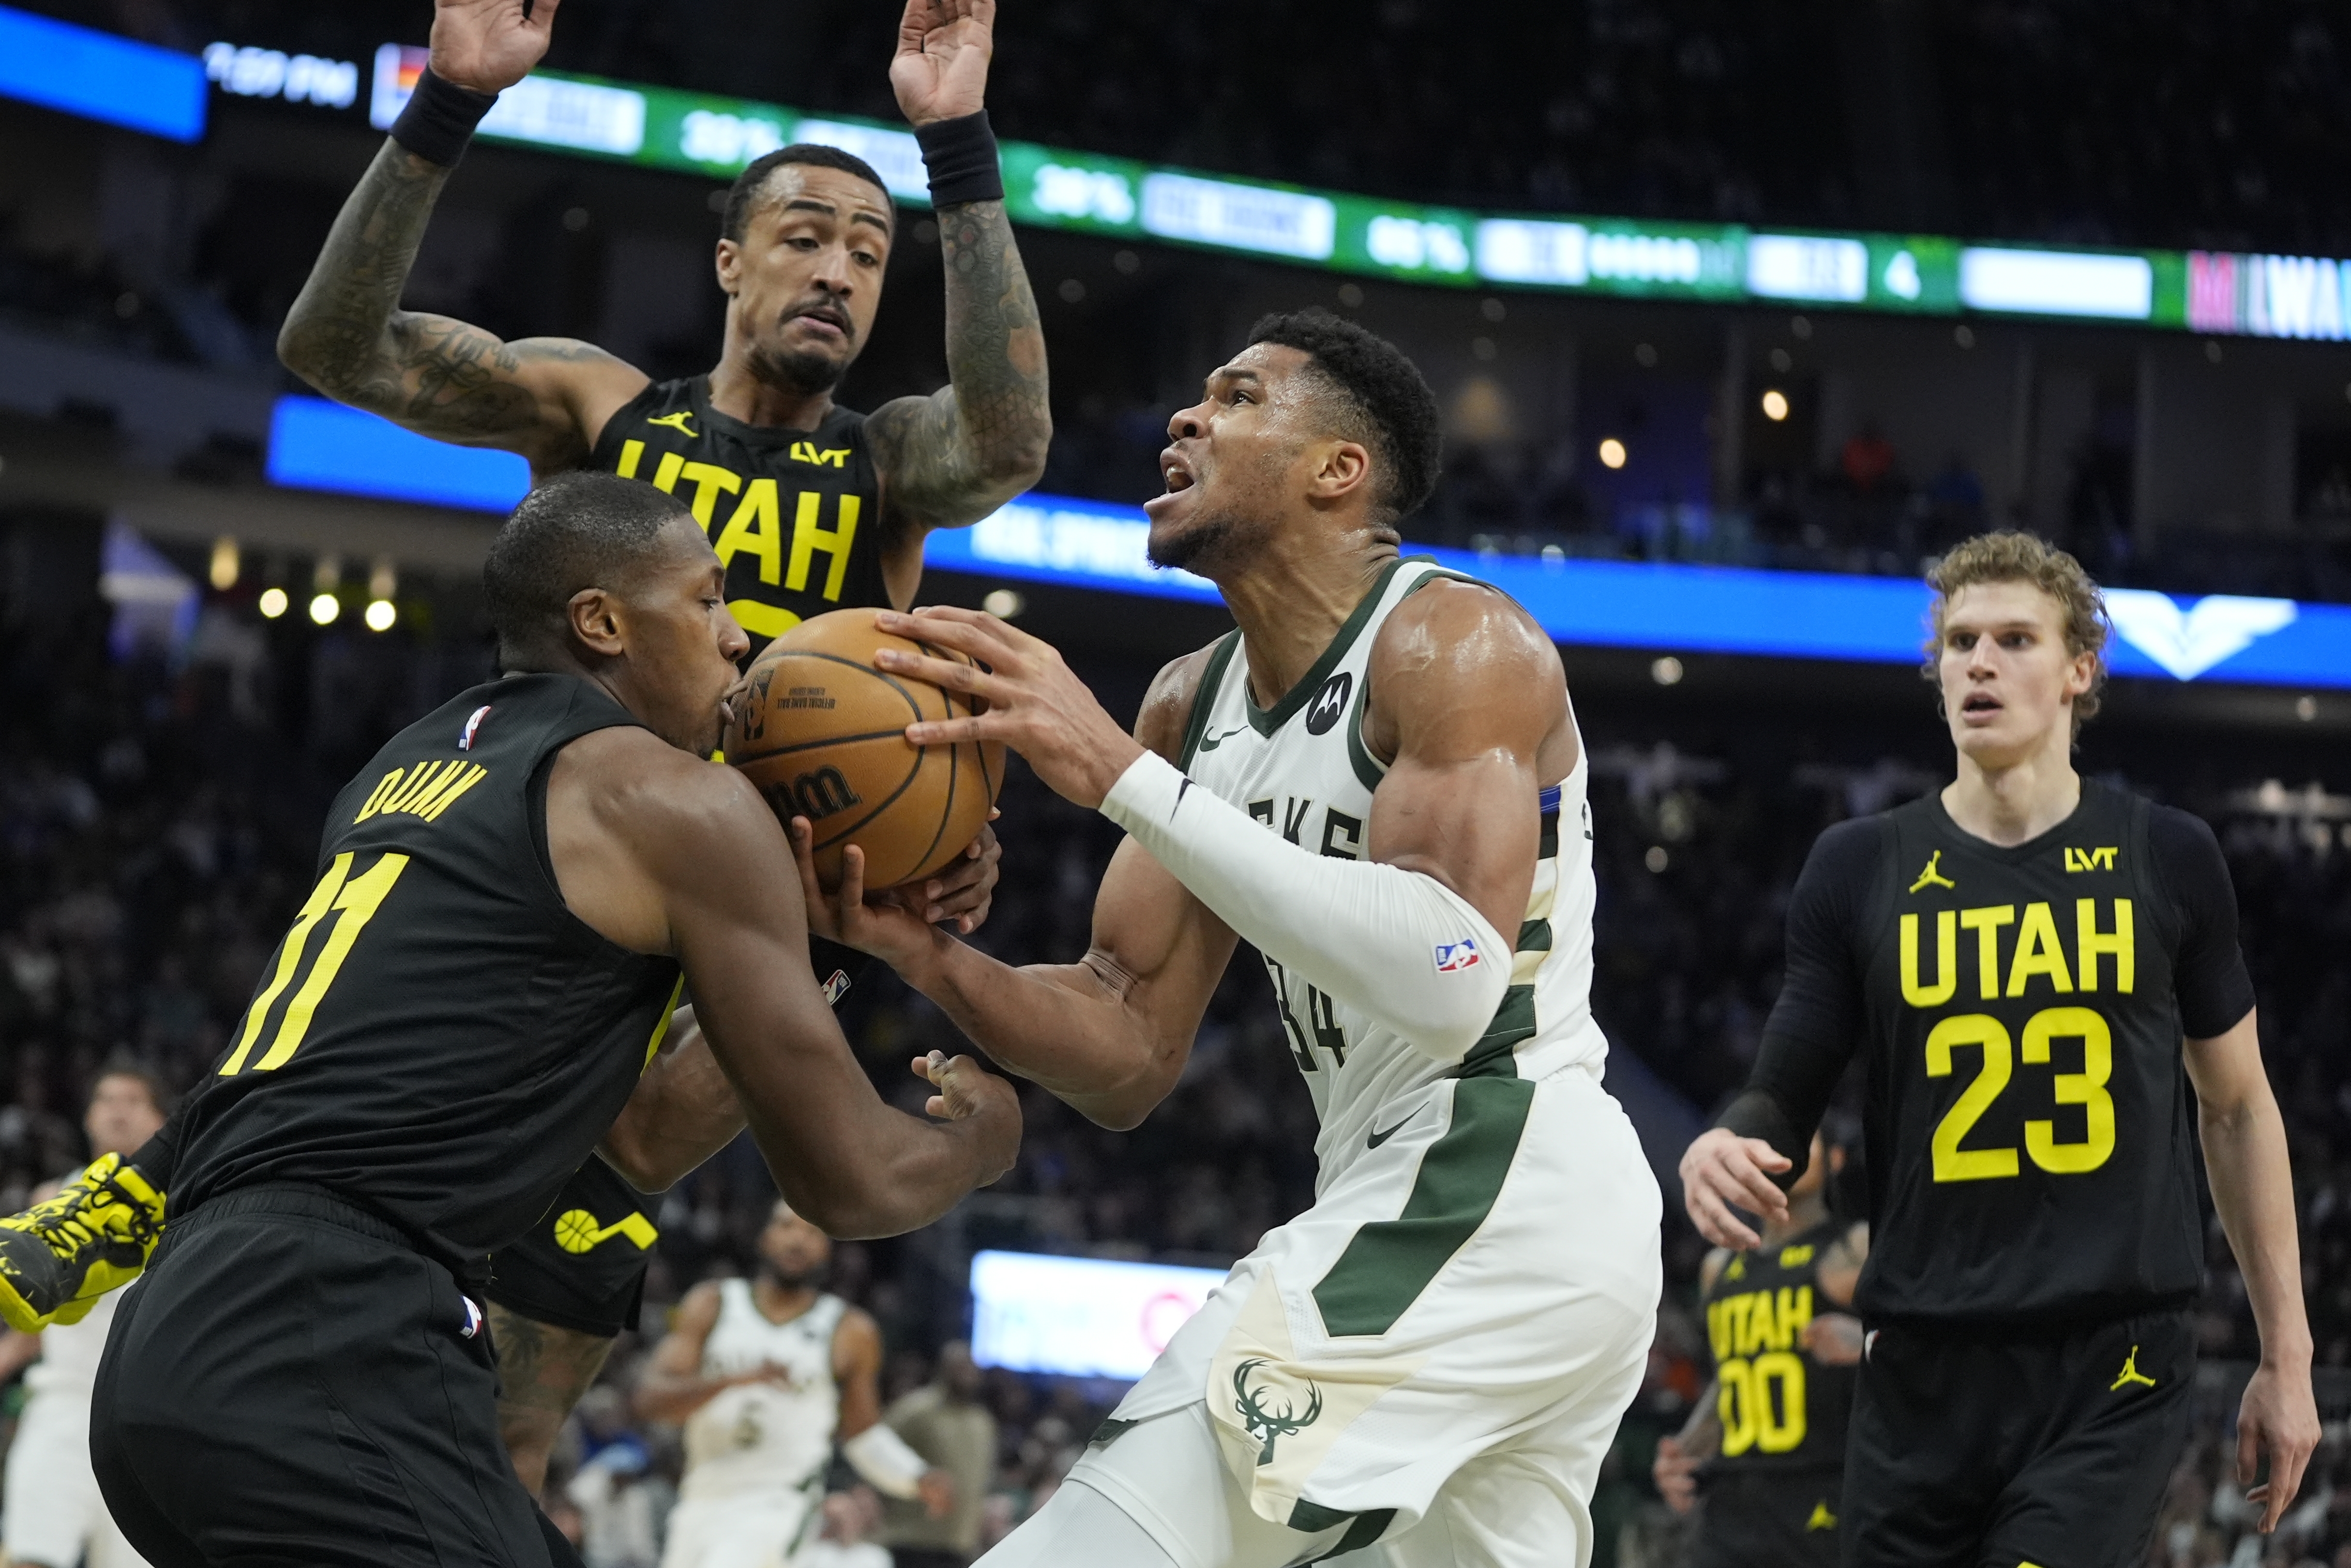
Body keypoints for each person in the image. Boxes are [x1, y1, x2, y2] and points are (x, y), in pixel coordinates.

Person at [0, 0, 1043, 1494]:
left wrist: (955, 144)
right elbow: (334, 346)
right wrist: (448, 101)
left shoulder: (885, 467)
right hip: (567, 830)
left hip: (767, 888)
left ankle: (476, 1482)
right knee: (374, 1033)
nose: (837, 271)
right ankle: (140, 1195)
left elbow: (1006, 443)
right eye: (806, 235)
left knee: (574, 1283)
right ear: (730, 262)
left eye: (870, 255)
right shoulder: (601, 404)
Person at [795, 309, 1662, 1567]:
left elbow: (1453, 979)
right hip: (1437, 1206)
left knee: (1095, 1543)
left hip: (1499, 1173)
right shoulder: (1187, 700)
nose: (1187, 418)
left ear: (1338, 472)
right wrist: (925, 955)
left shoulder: (1453, 642)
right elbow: (1129, 1042)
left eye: (1240, 397)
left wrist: (1118, 779)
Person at [82, 472, 1021, 1568]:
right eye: (708, 600)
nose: (736, 641)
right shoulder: (674, 799)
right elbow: (852, 1177)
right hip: (327, 1331)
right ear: (601, 621)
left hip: (168, 1343)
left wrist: (816, 943)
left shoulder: (409, 763)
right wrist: (985, 1139)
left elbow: (640, 1139)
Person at [1677, 531, 2319, 1560]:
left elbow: (2237, 1108)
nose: (1978, 662)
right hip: (1920, 1366)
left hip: (2107, 1363)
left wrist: (2284, 1357)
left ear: (2078, 670)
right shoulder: (1856, 868)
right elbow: (1779, 1092)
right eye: (1959, 642)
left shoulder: (2166, 856)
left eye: (2014, 639)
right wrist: (1727, 1138)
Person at [635, 1201, 950, 1568]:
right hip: (701, 1496)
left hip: (780, 1502)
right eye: (787, 1227)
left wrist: (913, 1475)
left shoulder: (850, 1331)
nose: (798, 1241)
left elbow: (862, 1433)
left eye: (812, 1231)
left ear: (827, 1249)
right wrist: (734, 1381)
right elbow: (650, 1402)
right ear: (765, 1237)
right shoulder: (713, 1304)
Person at [1652, 1129, 1865, 1567]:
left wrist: (1864, 1342)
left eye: (1803, 1137)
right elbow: (1730, 1378)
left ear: (1837, 1159)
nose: (1783, 1151)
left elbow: (1930, 1347)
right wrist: (1688, 1448)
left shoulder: (1857, 1247)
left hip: (1824, 1495)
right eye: (1767, 1144)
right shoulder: (1720, 1266)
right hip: (1734, 1505)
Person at [0, 1066, 170, 1568]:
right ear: (89, 1116)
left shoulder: (190, 1209)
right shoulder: (50, 1200)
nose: (117, 1110)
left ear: (165, 1121)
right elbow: (33, 1325)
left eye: (133, 1100)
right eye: (106, 1099)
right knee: (28, 1556)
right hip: (64, 1405)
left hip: (149, 1420)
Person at [875, 1341, 998, 1567]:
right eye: (959, 1367)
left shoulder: (982, 1422)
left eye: (971, 1368)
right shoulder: (915, 1410)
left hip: (960, 1541)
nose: (967, 1374)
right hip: (913, 1538)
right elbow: (876, 1449)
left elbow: (982, 1478)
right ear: (943, 1369)